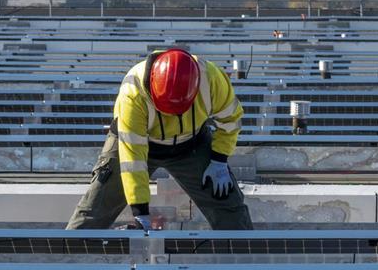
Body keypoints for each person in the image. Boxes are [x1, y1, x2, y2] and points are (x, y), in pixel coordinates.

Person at [66, 47, 254, 231]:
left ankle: (246, 255)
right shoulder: (133, 93)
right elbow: (134, 160)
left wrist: (219, 160)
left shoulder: (212, 79)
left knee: (229, 207)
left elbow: (231, 120)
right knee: (95, 208)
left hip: (192, 144)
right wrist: (140, 211)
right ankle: (68, 254)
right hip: (138, 144)